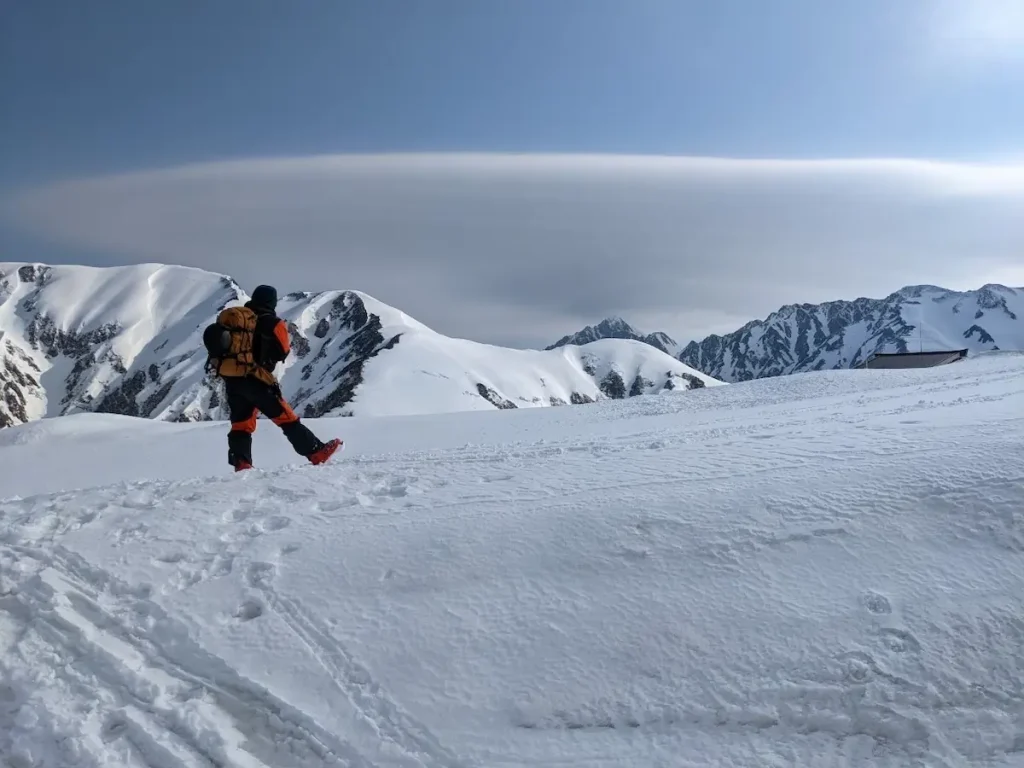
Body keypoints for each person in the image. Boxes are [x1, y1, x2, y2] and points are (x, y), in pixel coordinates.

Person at [206, 284, 341, 471]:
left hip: (232, 379)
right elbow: (282, 351)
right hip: (257, 379)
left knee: (241, 424)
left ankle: (242, 463)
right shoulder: (273, 323)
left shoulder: (237, 320)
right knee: (287, 419)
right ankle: (316, 452)